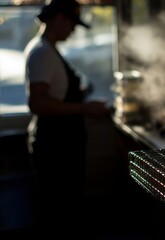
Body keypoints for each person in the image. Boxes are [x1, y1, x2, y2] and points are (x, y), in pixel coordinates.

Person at [24, 0, 110, 237]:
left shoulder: (47, 49)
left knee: (66, 208)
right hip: (54, 145)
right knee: (59, 213)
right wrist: (85, 107)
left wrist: (83, 93)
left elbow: (54, 94)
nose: (73, 30)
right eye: (72, 23)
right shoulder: (42, 52)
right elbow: (38, 103)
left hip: (61, 142)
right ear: (59, 19)